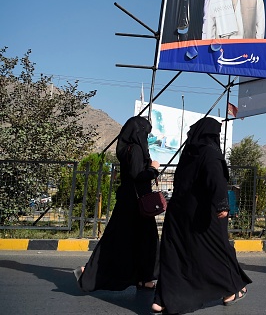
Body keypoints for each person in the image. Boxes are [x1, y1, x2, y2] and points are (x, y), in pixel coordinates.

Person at [151, 117, 251, 315]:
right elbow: (216, 181)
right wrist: (222, 205)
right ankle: (230, 291)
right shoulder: (211, 153)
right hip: (202, 213)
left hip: (178, 213)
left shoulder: (189, 153)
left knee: (176, 254)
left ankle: (161, 300)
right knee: (216, 250)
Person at [73, 116, 160, 292]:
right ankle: (89, 275)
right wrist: (153, 169)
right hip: (136, 206)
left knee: (138, 242)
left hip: (131, 203)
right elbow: (137, 176)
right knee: (125, 242)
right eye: (146, 133)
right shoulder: (135, 150)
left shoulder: (128, 149)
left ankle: (145, 279)